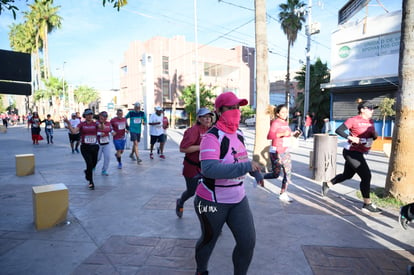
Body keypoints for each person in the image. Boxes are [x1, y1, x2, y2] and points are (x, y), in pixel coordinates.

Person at [194, 92, 263, 275]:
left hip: (238, 198)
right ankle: (201, 270)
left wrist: (258, 174)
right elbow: (209, 169)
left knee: (247, 242)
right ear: (219, 111)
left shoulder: (239, 134)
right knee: (209, 239)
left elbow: (241, 162)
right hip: (211, 201)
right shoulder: (211, 137)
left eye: (237, 108)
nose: (236, 111)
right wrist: (246, 166)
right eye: (231, 108)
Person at [321, 99, 382, 213]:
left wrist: (374, 136)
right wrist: (350, 137)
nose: (372, 111)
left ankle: (327, 184)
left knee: (347, 175)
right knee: (366, 176)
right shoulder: (353, 120)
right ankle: (367, 204)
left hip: (360, 152)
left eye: (373, 109)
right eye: (370, 108)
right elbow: (339, 130)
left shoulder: (371, 122)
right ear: (362, 109)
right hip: (351, 152)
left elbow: (372, 136)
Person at [175, 107, 214, 218]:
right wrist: (202, 147)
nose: (208, 119)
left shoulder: (211, 130)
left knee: (208, 193)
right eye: (205, 117)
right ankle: (180, 202)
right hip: (192, 167)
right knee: (191, 192)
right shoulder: (193, 131)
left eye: (209, 117)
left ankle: (212, 220)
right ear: (199, 118)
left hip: (206, 168)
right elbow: (183, 149)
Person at [263, 104, 301, 202]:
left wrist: (293, 134)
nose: (285, 114)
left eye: (286, 112)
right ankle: (259, 176)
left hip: (286, 151)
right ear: (278, 113)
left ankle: (283, 193)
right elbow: (269, 136)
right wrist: (283, 134)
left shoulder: (285, 122)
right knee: (276, 174)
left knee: (288, 173)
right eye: (283, 112)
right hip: (276, 151)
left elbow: (287, 134)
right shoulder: (275, 122)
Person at [64, 109, 99, 190]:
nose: (90, 116)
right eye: (88, 115)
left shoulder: (96, 123)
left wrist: (102, 122)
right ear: (85, 116)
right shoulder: (81, 124)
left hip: (95, 146)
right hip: (85, 147)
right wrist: (68, 124)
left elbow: (102, 127)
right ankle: (91, 182)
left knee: (94, 163)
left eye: (91, 114)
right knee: (89, 163)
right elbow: (73, 131)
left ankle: (87, 172)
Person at [97, 111, 112, 176]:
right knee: (98, 158)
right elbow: (93, 133)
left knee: (107, 157)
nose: (102, 118)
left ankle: (104, 170)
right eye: (101, 116)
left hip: (106, 143)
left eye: (104, 116)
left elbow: (111, 130)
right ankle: (93, 166)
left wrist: (113, 132)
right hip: (98, 143)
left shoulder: (108, 123)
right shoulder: (96, 123)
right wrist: (100, 134)